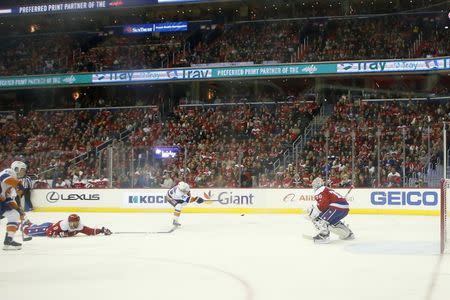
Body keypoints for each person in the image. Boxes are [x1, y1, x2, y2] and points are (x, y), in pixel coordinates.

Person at [306, 177, 355, 243]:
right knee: (333, 223)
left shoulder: (320, 190)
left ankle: (324, 236)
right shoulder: (327, 189)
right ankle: (348, 234)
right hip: (344, 208)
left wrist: (319, 214)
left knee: (320, 219)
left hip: (336, 207)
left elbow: (324, 204)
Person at [0, 161, 27, 250]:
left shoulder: (11, 186)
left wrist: (18, 210)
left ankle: (8, 241)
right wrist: (19, 184)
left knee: (14, 214)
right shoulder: (9, 172)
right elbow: (4, 178)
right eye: (22, 170)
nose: (23, 172)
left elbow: (8, 199)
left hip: (1, 202)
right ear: (16, 168)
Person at [21, 214, 112, 238]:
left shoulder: (79, 226)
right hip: (47, 228)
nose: (74, 225)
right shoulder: (62, 225)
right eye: (72, 223)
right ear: (69, 222)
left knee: (34, 226)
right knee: (29, 232)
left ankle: (29, 223)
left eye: (75, 223)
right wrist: (58, 234)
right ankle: (22, 226)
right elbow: (49, 232)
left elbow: (90, 231)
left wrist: (102, 230)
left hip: (50, 227)